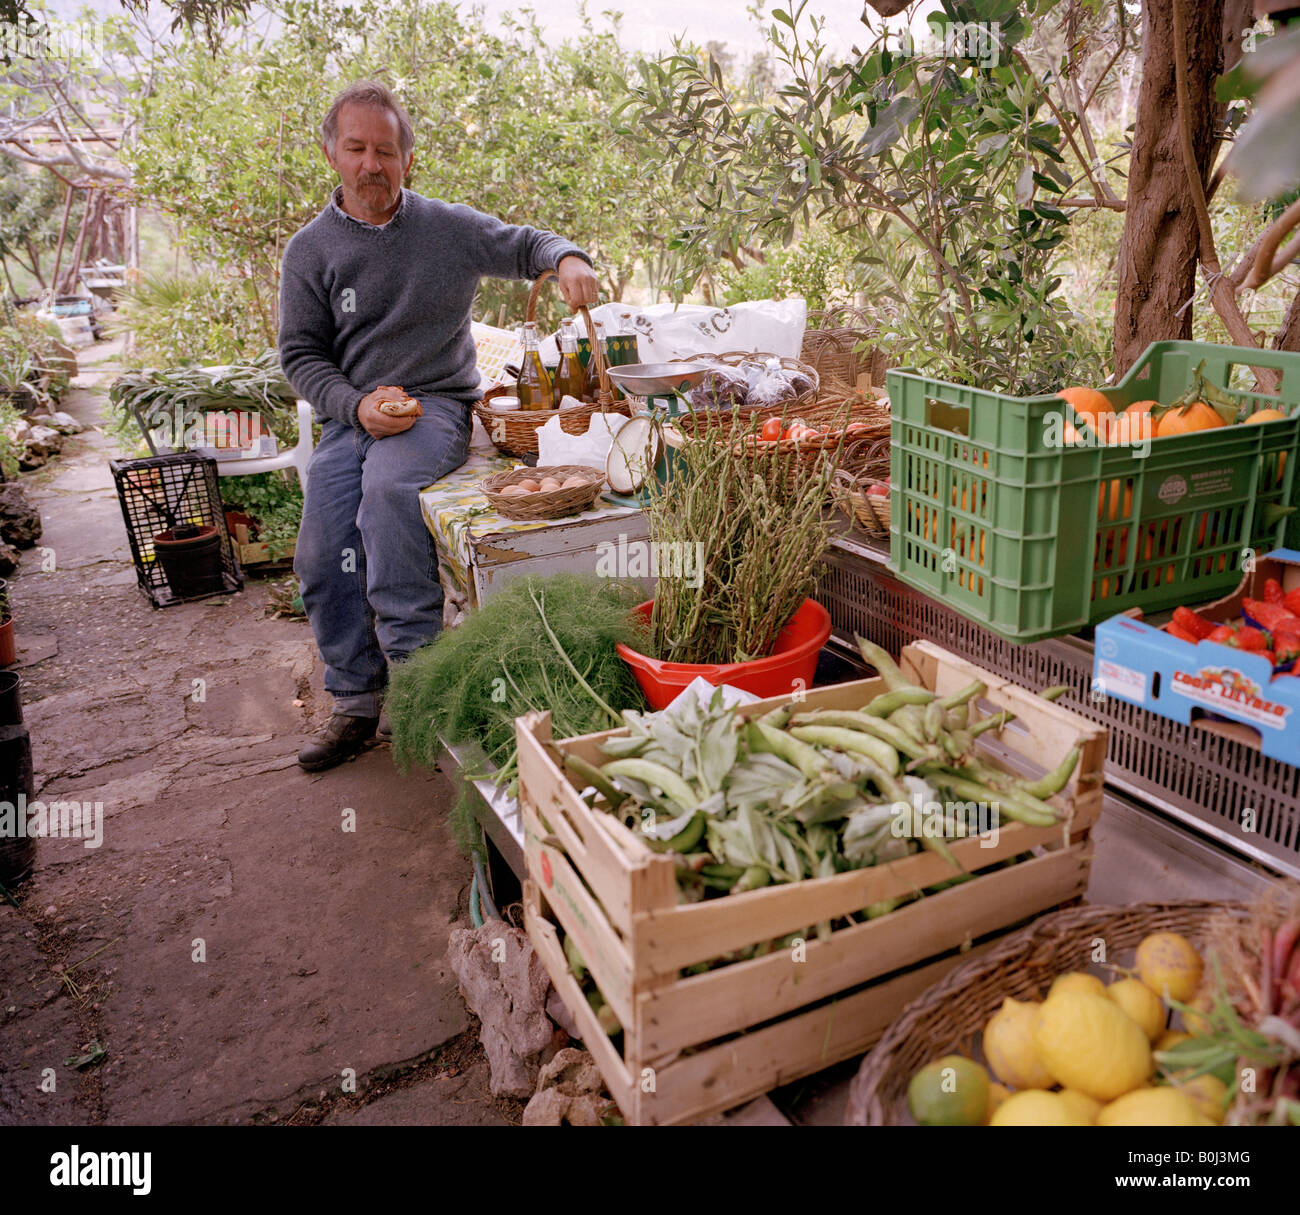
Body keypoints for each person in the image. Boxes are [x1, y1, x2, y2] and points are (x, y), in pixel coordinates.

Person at [278, 80, 599, 771]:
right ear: (332, 152)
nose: (372, 164)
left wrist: (568, 258)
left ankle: (420, 687)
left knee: (390, 497)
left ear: (407, 160)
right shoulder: (310, 252)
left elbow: (529, 245)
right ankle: (356, 702)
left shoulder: (445, 230)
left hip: (436, 408)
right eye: (357, 148)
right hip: (354, 416)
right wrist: (354, 406)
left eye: (386, 151)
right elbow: (300, 355)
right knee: (320, 547)